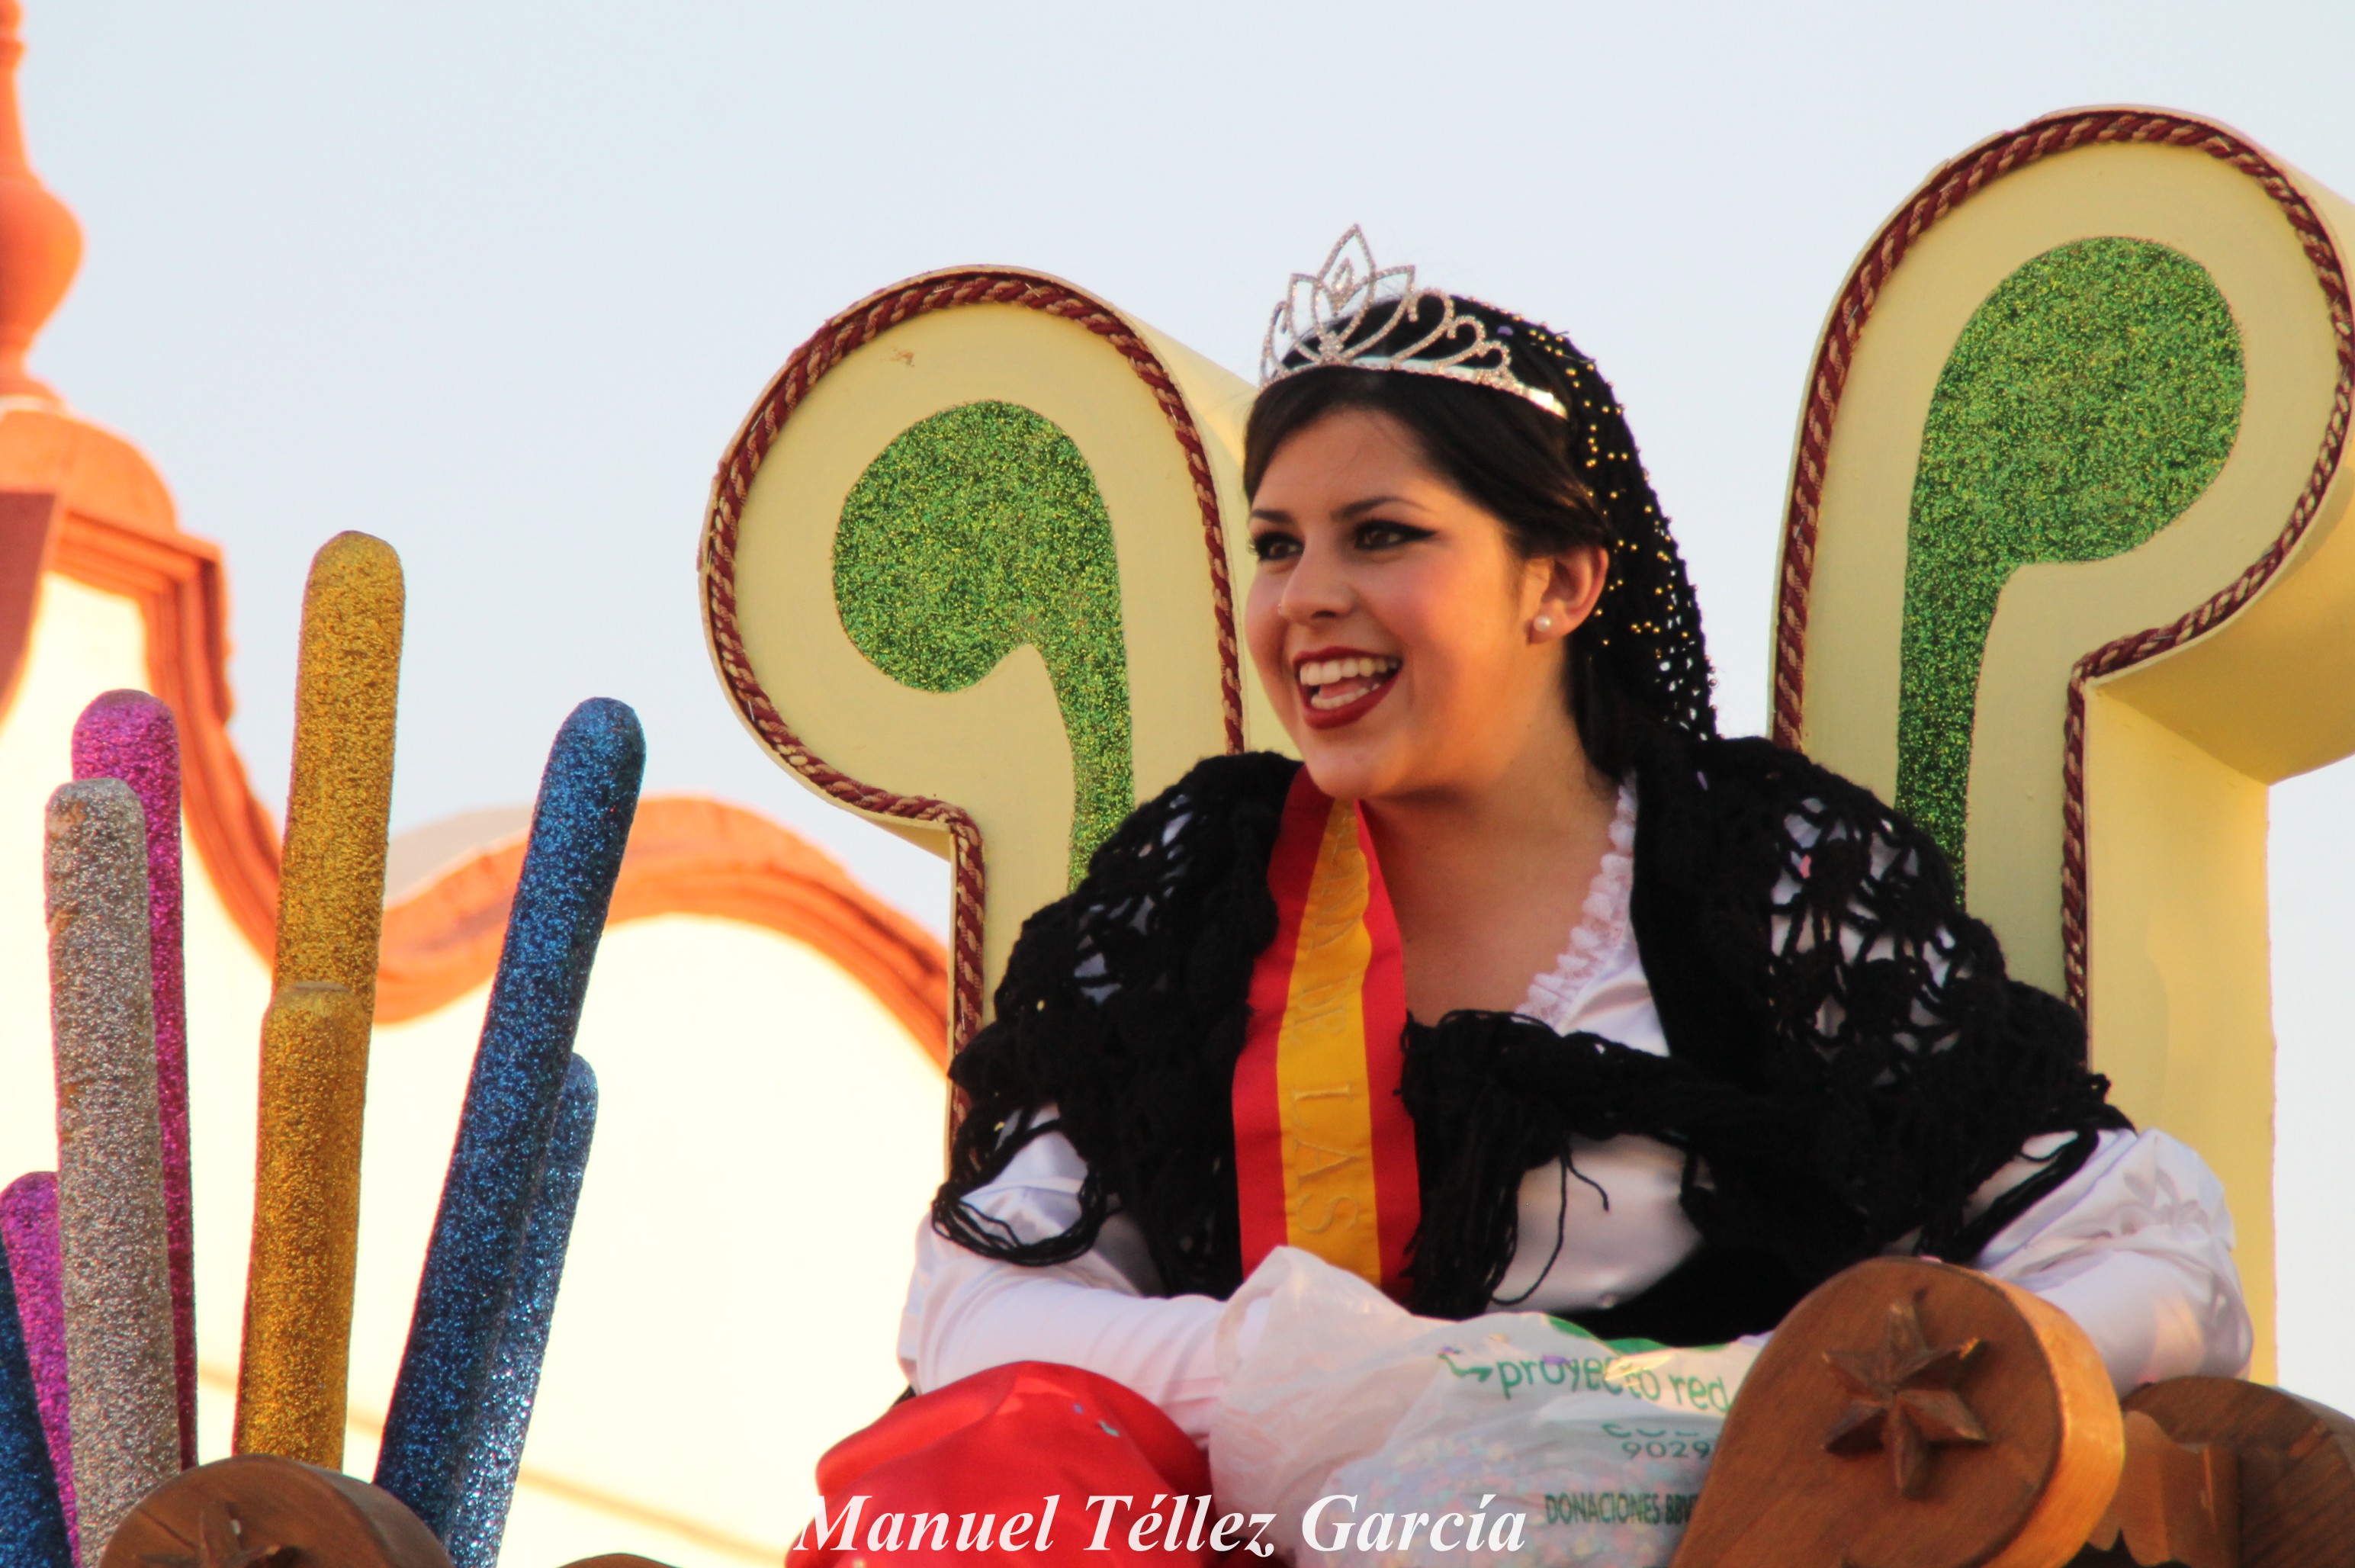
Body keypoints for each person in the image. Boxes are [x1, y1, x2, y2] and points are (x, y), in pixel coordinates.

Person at [799, 229, 2250, 1565]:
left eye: (1380, 535)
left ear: (1558, 584)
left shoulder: (1755, 875)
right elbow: (977, 1304)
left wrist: (1764, 1402)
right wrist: (1356, 1379)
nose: (1304, 598)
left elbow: (2145, 1255)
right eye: (1279, 543)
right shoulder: (1207, 893)